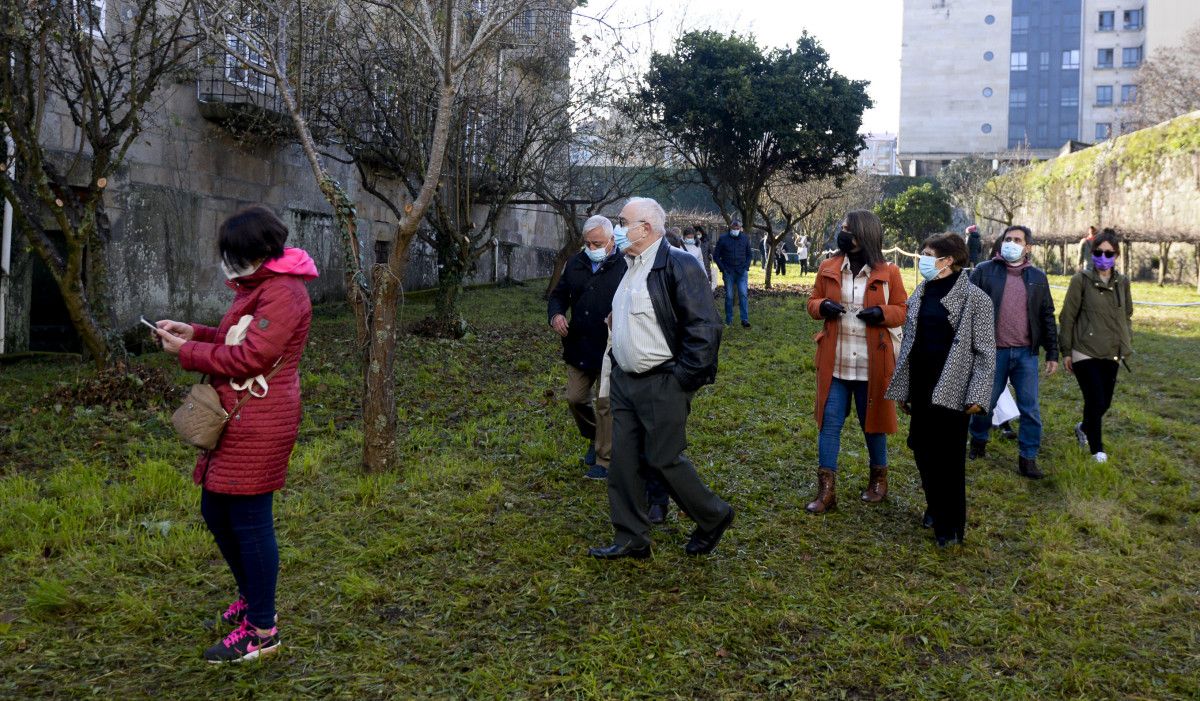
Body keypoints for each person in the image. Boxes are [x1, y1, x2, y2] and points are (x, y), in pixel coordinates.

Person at [153, 205, 318, 663]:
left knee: (249, 522)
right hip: (239, 416)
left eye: (235, 255)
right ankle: (251, 600)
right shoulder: (259, 286)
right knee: (217, 509)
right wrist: (195, 332)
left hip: (260, 420)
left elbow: (251, 358)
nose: (228, 264)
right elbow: (233, 339)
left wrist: (188, 352)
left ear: (263, 251)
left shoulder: (284, 293)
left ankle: (263, 630)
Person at [589, 197, 733, 559]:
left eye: (623, 222)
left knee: (662, 459)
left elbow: (705, 327)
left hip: (662, 381)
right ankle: (630, 536)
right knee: (622, 462)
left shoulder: (679, 264)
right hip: (625, 381)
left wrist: (683, 379)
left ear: (647, 228)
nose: (618, 229)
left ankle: (713, 515)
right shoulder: (628, 264)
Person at [887, 232, 995, 547]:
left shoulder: (977, 300)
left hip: (954, 390)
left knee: (948, 459)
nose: (923, 259)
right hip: (921, 385)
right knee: (920, 447)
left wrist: (978, 393)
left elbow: (986, 353)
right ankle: (935, 505)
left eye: (928, 254)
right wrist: (905, 387)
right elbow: (909, 342)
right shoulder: (921, 292)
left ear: (948, 260)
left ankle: (949, 527)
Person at [804, 210, 908, 513]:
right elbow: (811, 303)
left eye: (848, 229)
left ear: (864, 236)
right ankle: (826, 491)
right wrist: (822, 306)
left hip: (871, 365)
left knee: (872, 426)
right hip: (835, 363)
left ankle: (879, 480)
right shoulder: (828, 266)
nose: (842, 233)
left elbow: (902, 309)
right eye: (842, 228)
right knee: (829, 424)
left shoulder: (889, 272)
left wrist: (882, 314)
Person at [968, 224, 1059, 479]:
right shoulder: (985, 272)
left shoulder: (1038, 278)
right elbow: (967, 309)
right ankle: (978, 441)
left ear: (1027, 247)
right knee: (984, 402)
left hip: (1026, 354)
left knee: (1030, 408)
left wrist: (1052, 352)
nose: (1011, 243)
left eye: (1017, 240)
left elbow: (1047, 316)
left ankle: (1027, 458)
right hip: (992, 351)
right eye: (1008, 239)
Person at [548, 215, 627, 480]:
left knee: (605, 404)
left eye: (597, 243)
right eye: (588, 243)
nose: (592, 248)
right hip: (579, 342)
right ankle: (595, 437)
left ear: (611, 241)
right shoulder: (575, 262)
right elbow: (558, 295)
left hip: (609, 345)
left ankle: (604, 460)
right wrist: (556, 315)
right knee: (575, 398)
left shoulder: (625, 263)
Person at [1059, 229, 1133, 464]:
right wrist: (1067, 351)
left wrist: (1125, 340)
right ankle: (1097, 449)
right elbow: (1067, 317)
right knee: (1095, 400)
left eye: (1109, 253)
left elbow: (1127, 314)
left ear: (1116, 255)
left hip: (1111, 349)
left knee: (1105, 402)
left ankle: (1083, 427)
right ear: (1092, 253)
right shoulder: (1080, 280)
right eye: (1099, 252)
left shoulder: (1123, 282)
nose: (1103, 257)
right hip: (1084, 349)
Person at [713, 218, 752, 328]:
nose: (735, 229)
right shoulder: (723, 239)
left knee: (743, 294)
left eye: (737, 228)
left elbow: (749, 255)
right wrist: (723, 268)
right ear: (730, 228)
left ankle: (745, 319)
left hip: (741, 271)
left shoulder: (745, 239)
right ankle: (728, 320)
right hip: (728, 271)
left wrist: (746, 267)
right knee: (729, 296)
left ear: (740, 228)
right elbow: (716, 255)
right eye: (733, 228)